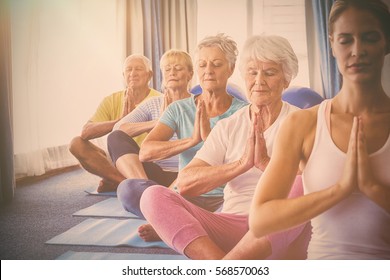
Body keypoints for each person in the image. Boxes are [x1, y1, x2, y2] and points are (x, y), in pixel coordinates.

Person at [139, 34, 311, 260]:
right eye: (252, 72)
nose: (259, 80)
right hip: (232, 224)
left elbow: (317, 182)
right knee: (151, 196)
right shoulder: (229, 126)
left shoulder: (304, 122)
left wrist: (265, 164)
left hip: (280, 227)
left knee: (302, 183)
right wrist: (241, 164)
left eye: (269, 73)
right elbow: (186, 184)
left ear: (286, 80)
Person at [250, 0, 390, 259]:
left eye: (370, 38)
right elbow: (260, 220)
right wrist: (339, 190)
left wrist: (371, 187)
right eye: (346, 40)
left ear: (387, 43)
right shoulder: (303, 124)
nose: (357, 50)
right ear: (332, 44)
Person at [120, 33, 247, 222]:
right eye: (203, 65)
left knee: (243, 212)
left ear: (231, 69)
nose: (208, 71)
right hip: (186, 195)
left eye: (217, 64)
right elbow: (145, 152)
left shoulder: (243, 112)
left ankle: (174, 222)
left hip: (225, 197)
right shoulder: (179, 108)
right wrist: (192, 140)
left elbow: (243, 163)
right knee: (128, 190)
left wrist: (209, 138)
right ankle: (191, 220)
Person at [107, 50, 193, 215]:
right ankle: (146, 190)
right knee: (115, 138)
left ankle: (159, 204)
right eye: (167, 69)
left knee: (128, 193)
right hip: (156, 175)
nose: (172, 73)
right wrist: (159, 122)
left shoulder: (198, 104)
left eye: (178, 68)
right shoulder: (154, 103)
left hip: (186, 174)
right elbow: (118, 128)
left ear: (190, 74)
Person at [69, 54, 161, 193]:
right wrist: (120, 121)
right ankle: (122, 182)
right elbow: (86, 132)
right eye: (129, 70)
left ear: (149, 75)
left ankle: (120, 181)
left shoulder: (159, 100)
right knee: (76, 143)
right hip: (117, 158)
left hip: (146, 160)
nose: (133, 73)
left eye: (139, 69)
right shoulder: (111, 100)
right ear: (123, 75)